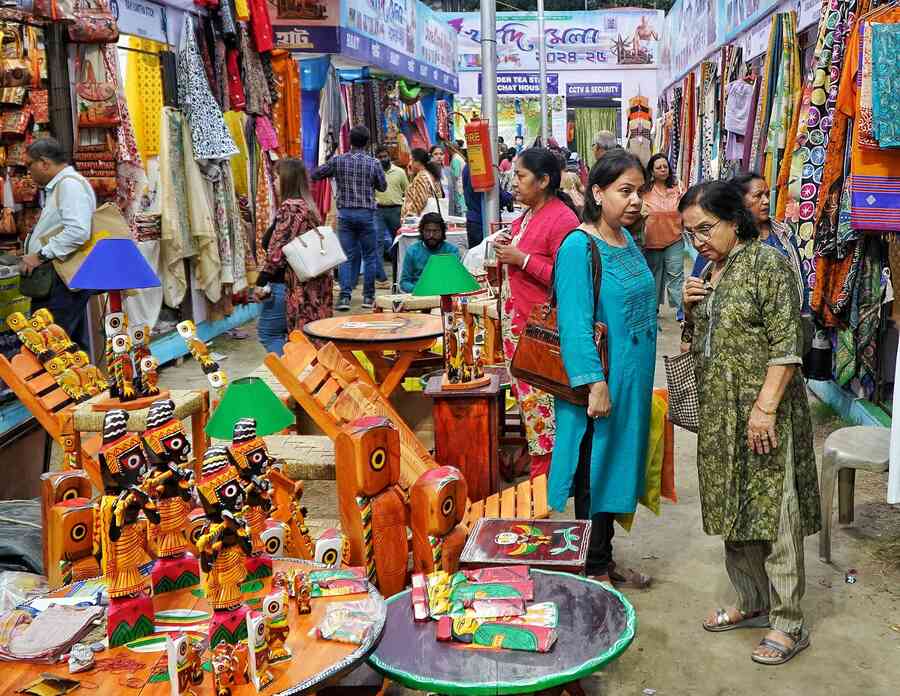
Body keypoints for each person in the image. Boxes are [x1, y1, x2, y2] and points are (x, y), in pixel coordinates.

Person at [680, 181, 820, 666]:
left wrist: (764, 407)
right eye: (689, 233)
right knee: (734, 509)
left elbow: (787, 346)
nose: (697, 240)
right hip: (721, 413)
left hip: (763, 410)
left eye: (704, 228)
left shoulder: (767, 264)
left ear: (733, 221)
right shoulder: (710, 270)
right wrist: (691, 305)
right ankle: (752, 599)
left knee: (775, 511)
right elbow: (696, 340)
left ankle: (788, 622)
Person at [551, 149, 656, 588]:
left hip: (631, 380)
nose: (635, 201)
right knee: (594, 470)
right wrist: (595, 384)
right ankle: (592, 567)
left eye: (640, 192)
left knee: (617, 467)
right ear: (597, 192)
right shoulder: (579, 246)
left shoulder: (625, 238)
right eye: (624, 191)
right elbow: (574, 325)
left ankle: (604, 557)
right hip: (602, 383)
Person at [494, 147, 580, 479]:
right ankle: (542, 474)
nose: (513, 183)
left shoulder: (562, 219)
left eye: (520, 176)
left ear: (543, 181)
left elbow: (567, 278)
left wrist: (521, 259)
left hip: (540, 334)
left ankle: (545, 482)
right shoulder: (528, 214)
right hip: (519, 329)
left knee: (540, 409)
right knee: (531, 407)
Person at [19, 138, 96, 348]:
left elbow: (78, 231)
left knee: (49, 343)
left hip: (61, 279)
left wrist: (40, 255)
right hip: (59, 278)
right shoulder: (61, 186)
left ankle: (64, 380)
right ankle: (82, 380)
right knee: (70, 344)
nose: (29, 172)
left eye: (29, 165)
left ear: (44, 163)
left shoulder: (69, 186)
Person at [254, 158, 330, 354]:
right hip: (306, 284)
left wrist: (261, 280)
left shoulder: (291, 208)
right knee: (296, 336)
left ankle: (290, 374)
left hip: (287, 284)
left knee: (268, 333)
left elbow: (277, 251)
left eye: (277, 178)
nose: (274, 182)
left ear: (287, 180)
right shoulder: (308, 206)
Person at [311, 125, 386, 311]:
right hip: (367, 214)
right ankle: (368, 297)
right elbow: (383, 187)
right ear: (367, 142)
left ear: (349, 141)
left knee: (345, 256)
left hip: (345, 215)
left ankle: (344, 297)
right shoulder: (374, 163)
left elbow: (316, 174)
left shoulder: (338, 161)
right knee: (370, 256)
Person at [641, 154, 685, 322]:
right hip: (652, 240)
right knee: (654, 277)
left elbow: (686, 207)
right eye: (658, 167)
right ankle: (653, 309)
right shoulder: (644, 191)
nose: (662, 170)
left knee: (676, 274)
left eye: (665, 166)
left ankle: (681, 310)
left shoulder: (677, 188)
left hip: (674, 238)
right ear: (652, 170)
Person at [398, 213, 460, 293]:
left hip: (445, 294)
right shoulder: (412, 251)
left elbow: (456, 279)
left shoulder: (451, 251)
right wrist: (419, 290)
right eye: (428, 231)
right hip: (419, 295)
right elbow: (404, 282)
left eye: (435, 231)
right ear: (422, 231)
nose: (431, 235)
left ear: (442, 232)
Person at [374, 145, 409, 285]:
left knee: (398, 242)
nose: (383, 159)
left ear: (389, 156)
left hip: (396, 210)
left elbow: (407, 191)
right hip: (378, 211)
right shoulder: (374, 172)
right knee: (377, 243)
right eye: (380, 157)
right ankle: (381, 278)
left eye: (385, 156)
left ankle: (398, 274)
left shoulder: (400, 172)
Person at [463, 163, 514, 249]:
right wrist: (510, 196)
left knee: (475, 255)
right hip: (483, 221)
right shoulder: (484, 167)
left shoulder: (468, 167)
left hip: (473, 219)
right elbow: (497, 195)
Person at [402, 148, 444, 219]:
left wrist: (408, 216)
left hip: (420, 220)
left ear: (418, 162)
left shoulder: (421, 177)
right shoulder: (430, 174)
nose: (410, 163)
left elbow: (420, 201)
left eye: (411, 160)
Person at [447, 142, 467, 218]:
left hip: (459, 186)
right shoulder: (460, 157)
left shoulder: (455, 159)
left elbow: (456, 174)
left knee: (461, 207)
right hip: (462, 185)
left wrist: (449, 171)